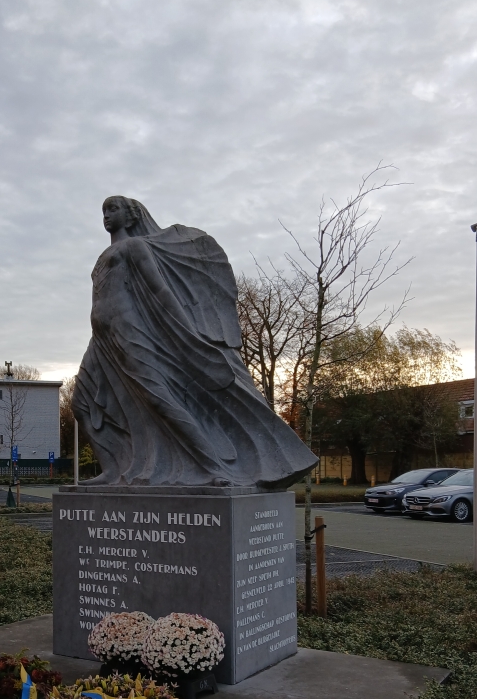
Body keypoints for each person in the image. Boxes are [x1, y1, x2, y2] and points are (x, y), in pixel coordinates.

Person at [72, 195, 317, 487]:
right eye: (103, 210)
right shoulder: (103, 256)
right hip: (101, 340)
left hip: (131, 333)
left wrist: (188, 331)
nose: (106, 215)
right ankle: (113, 470)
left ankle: (213, 468)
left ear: (132, 216)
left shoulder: (135, 247)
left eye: (113, 209)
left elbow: (160, 289)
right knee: (82, 403)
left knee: (159, 398)